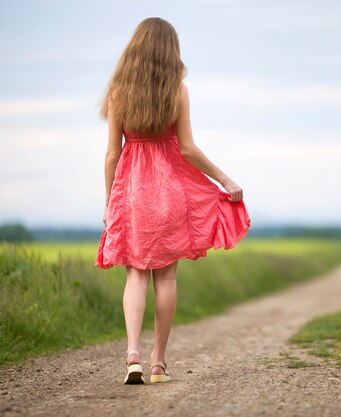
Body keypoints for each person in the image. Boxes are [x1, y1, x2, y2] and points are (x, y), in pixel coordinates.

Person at [94, 17, 251, 385]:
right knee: (166, 278)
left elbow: (111, 156)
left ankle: (132, 355)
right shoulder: (177, 90)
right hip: (170, 194)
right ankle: (159, 363)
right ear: (170, 51)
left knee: (135, 274)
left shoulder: (119, 90)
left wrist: (109, 202)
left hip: (132, 193)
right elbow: (189, 149)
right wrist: (224, 179)